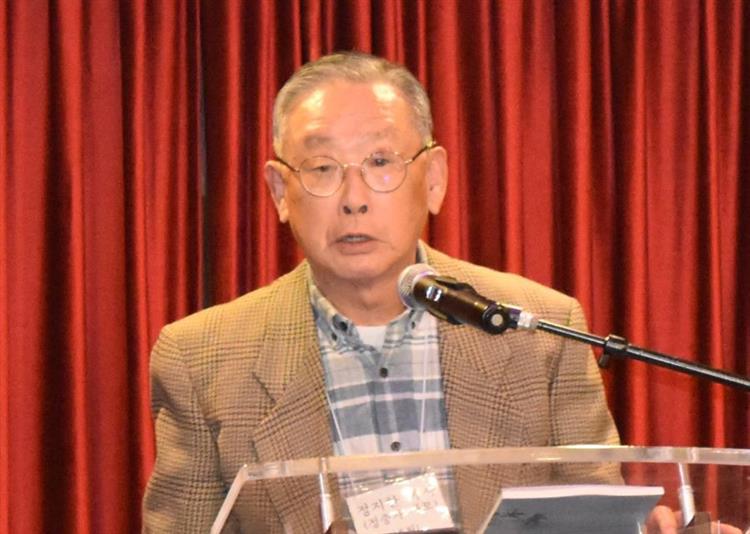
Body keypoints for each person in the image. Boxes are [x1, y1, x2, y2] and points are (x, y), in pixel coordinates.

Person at [142, 52, 735, 534]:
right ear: (279, 191)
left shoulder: (539, 330)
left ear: (433, 179)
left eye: (380, 162)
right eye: (322, 168)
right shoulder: (202, 359)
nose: (354, 198)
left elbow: (594, 523)